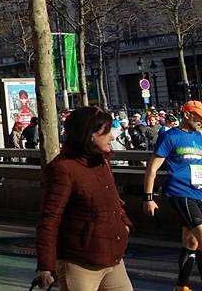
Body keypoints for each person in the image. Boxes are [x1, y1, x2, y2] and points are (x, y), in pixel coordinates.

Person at [35, 106, 132, 291]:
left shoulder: (102, 161)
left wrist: (125, 225)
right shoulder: (63, 168)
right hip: (79, 262)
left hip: (112, 257)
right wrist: (46, 266)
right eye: (106, 132)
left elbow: (114, 202)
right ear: (90, 135)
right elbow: (49, 219)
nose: (112, 137)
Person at [144, 100, 202, 291]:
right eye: (198, 117)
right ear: (187, 115)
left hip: (199, 191)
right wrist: (148, 198)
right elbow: (152, 169)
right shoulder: (170, 137)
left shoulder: (199, 137)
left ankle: (181, 286)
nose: (201, 121)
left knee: (191, 241)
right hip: (180, 192)